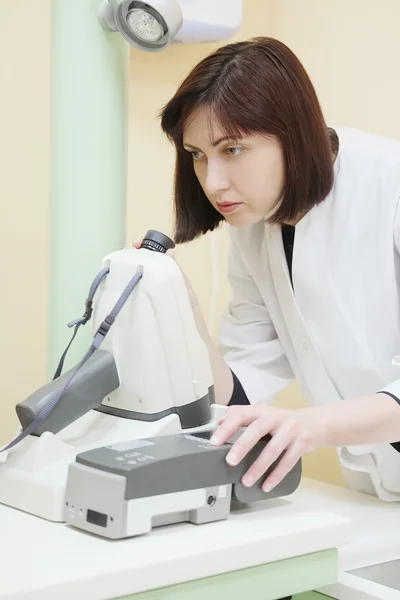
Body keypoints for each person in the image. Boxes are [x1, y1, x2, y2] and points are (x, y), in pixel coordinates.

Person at [135, 37, 400, 501]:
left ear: (292, 134)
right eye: (197, 155)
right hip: (378, 495)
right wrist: (185, 309)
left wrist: (307, 426)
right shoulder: (256, 224)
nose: (213, 182)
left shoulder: (388, 184)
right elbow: (240, 394)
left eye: (232, 149)